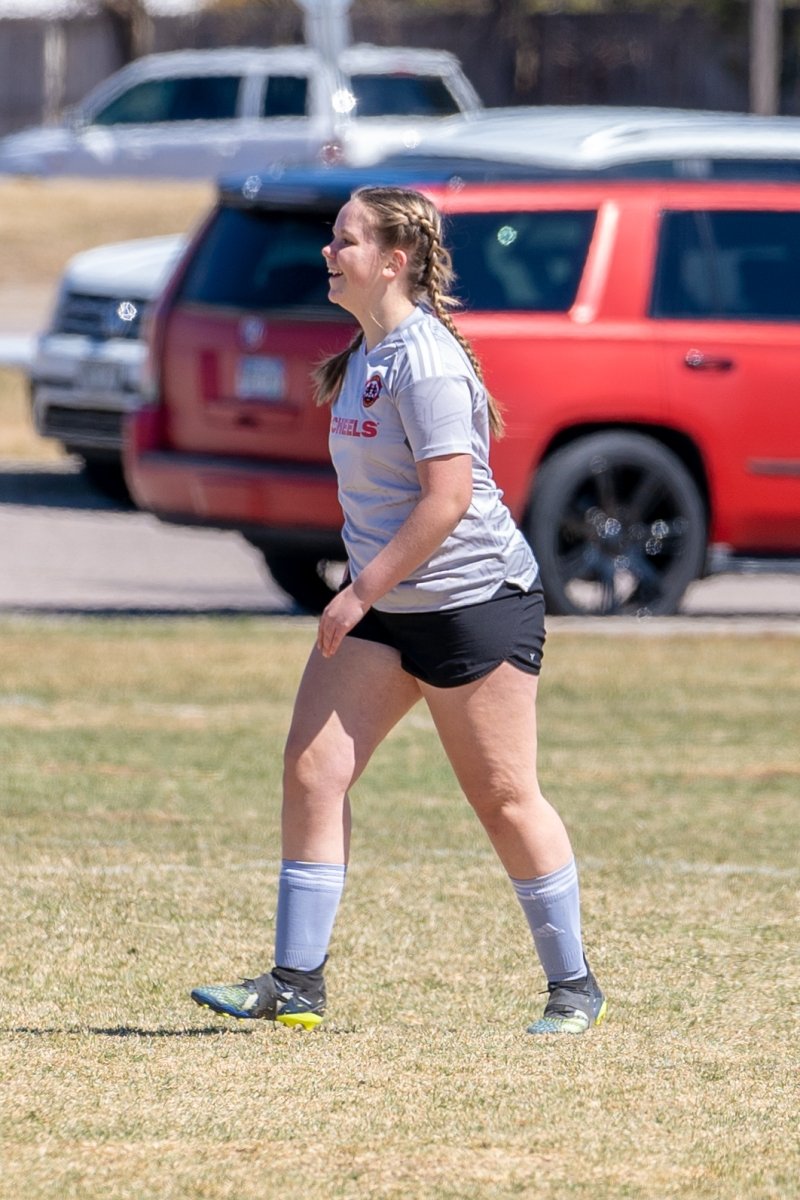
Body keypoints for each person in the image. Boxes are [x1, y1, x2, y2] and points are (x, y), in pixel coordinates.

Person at [191, 185, 606, 1035]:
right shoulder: (364, 355)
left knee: (504, 799)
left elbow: (447, 500)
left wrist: (356, 591)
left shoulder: (427, 360)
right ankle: (296, 982)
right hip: (389, 604)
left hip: (472, 605)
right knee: (313, 770)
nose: (327, 252)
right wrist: (370, 591)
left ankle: (575, 989)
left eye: (345, 240)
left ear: (394, 261)